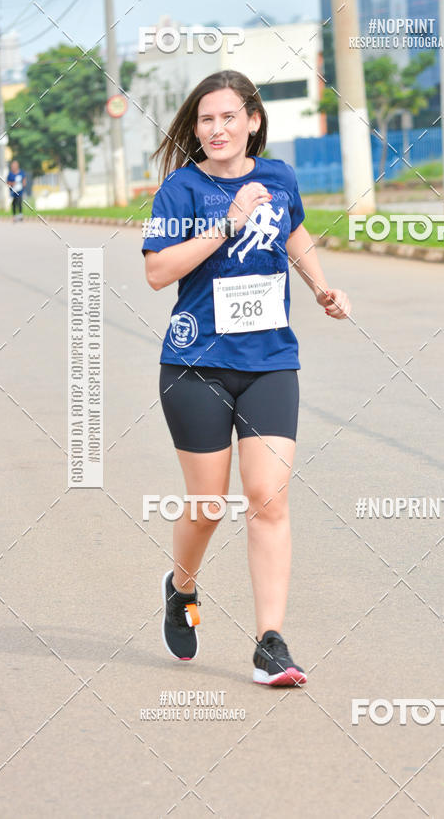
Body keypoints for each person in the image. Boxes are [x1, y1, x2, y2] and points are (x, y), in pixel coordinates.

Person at [142, 70, 351, 686]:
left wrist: (321, 287)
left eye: (229, 117)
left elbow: (294, 231)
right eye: (206, 119)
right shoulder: (181, 189)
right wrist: (227, 223)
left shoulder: (279, 177)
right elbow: (158, 272)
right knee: (208, 506)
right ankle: (182, 588)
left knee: (268, 498)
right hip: (195, 365)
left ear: (253, 121)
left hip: (270, 362)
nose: (217, 129)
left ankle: (270, 644)